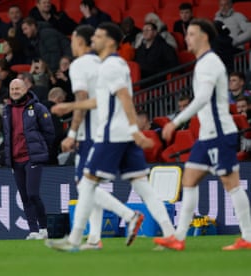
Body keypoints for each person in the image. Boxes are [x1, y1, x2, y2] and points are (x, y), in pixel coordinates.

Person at [46, 22, 175, 251]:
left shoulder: (109, 65)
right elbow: (100, 101)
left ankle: (75, 239)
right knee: (142, 186)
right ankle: (170, 233)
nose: (94, 38)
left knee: (86, 183)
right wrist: (69, 106)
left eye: (99, 35)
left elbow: (125, 97)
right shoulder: (108, 64)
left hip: (111, 134)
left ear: (111, 41)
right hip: (119, 132)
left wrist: (136, 131)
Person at [154, 18, 251, 251]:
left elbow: (202, 97)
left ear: (204, 36)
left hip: (219, 134)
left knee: (232, 184)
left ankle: (248, 237)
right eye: (187, 34)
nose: (187, 38)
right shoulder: (203, 63)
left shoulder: (209, 63)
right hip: (206, 137)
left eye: (191, 34)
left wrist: (175, 122)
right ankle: (178, 237)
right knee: (188, 180)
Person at [53, 25, 104, 250]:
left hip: (91, 132)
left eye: (72, 40)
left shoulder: (79, 65)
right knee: (87, 185)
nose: (71, 45)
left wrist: (72, 133)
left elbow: (81, 100)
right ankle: (93, 237)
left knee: (86, 185)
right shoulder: (103, 62)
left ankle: (127, 217)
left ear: (80, 41)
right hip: (106, 129)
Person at [3, 78, 55, 239]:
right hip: (15, 159)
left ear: (25, 89)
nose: (14, 91)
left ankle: (44, 228)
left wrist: (40, 150)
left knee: (33, 194)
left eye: (17, 88)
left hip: (32, 158)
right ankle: (33, 230)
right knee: (24, 196)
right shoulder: (6, 110)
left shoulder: (38, 108)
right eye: (12, 89)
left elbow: (49, 133)